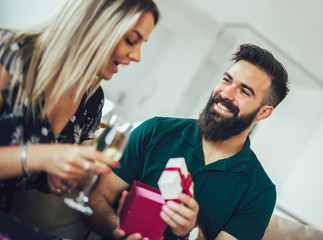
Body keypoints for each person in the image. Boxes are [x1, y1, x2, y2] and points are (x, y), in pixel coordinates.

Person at [84, 43, 289, 240]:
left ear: (263, 112)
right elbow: (98, 197)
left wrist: (190, 233)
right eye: (227, 79)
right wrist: (117, 229)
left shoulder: (260, 192)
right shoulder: (155, 130)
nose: (226, 93)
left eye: (244, 91)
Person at [0, 0, 160, 238]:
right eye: (131, 40)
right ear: (96, 25)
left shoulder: (92, 100)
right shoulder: (12, 53)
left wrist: (59, 178)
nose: (137, 56)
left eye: (141, 45)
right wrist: (41, 156)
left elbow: (46, 183)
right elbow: (40, 158)